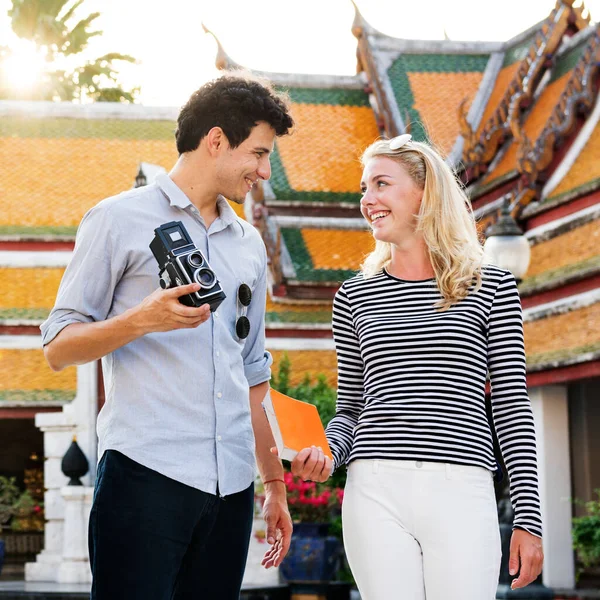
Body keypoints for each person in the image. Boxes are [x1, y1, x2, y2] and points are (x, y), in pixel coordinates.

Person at [41, 73, 294, 600]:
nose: (264, 172)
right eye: (259, 154)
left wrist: (273, 486)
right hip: (145, 476)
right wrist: (141, 320)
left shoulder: (248, 243)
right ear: (217, 140)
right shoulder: (116, 219)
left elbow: (253, 372)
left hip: (230, 488)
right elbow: (58, 346)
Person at [290, 134, 544, 600]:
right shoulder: (353, 297)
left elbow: (511, 407)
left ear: (425, 194)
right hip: (374, 488)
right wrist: (328, 452)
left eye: (382, 184)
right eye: (364, 189)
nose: (368, 200)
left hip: (460, 487)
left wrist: (528, 517)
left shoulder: (492, 287)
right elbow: (351, 408)